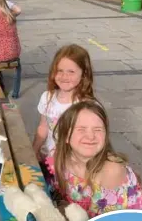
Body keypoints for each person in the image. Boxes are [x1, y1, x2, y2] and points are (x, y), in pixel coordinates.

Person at [45, 101, 142, 218]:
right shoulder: (58, 158)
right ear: (67, 136)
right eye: (81, 129)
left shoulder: (111, 170)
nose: (90, 136)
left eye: (98, 130)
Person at [32, 44, 95, 177]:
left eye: (71, 72)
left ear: (84, 74)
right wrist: (34, 150)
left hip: (73, 167)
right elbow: (43, 127)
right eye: (59, 71)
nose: (64, 76)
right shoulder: (47, 97)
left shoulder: (87, 106)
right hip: (47, 161)